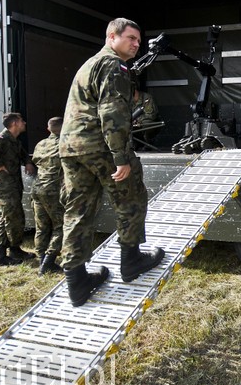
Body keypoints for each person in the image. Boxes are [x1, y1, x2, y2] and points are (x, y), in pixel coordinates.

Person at [59, 17, 164, 307]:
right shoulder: (113, 65)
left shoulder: (89, 64)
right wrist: (121, 158)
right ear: (112, 36)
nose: (135, 44)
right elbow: (113, 113)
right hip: (101, 146)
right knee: (131, 198)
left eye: (139, 41)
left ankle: (77, 281)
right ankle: (131, 262)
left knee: (77, 211)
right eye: (131, 38)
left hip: (71, 148)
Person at [0, 112, 36, 267]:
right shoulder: (0, 139)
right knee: (8, 219)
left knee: (14, 218)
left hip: (13, 185)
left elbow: (23, 154)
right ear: (14, 124)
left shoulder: (14, 141)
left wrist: (28, 163)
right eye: (21, 120)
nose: (24, 122)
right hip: (3, 186)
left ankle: (15, 250)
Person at [31, 116, 65, 275]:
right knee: (61, 226)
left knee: (42, 226)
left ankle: (41, 258)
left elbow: (36, 160)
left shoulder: (40, 144)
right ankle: (48, 262)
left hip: (37, 188)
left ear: (48, 129)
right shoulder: (64, 143)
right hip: (52, 189)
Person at [131, 85, 161, 150]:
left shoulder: (147, 98)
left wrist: (137, 120)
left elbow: (151, 115)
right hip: (134, 125)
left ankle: (148, 143)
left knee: (146, 123)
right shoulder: (127, 100)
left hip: (149, 124)